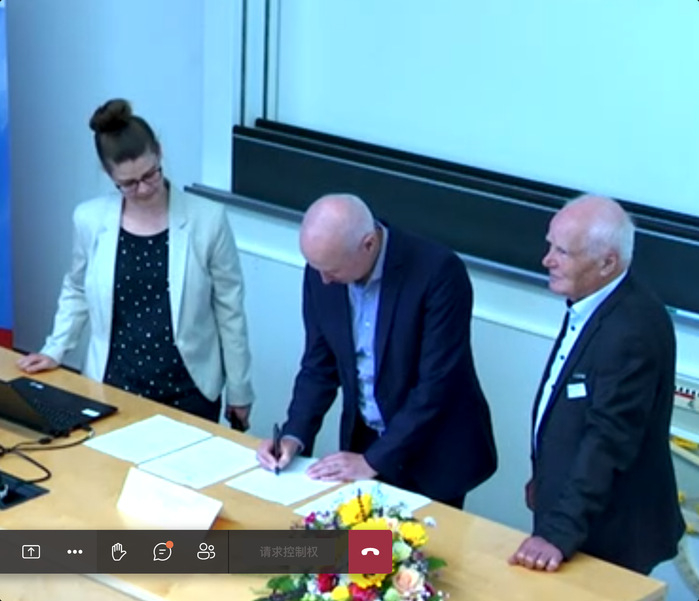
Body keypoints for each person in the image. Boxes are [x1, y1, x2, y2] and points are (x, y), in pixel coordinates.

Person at [16, 98, 254, 426]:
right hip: (113, 386)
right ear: (109, 174)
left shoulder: (207, 220)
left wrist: (240, 390)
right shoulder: (90, 219)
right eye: (128, 183)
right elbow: (77, 288)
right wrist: (55, 348)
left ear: (159, 152)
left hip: (189, 390)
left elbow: (230, 310)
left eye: (150, 175)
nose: (143, 189)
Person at [257, 193, 497, 508]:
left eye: (332, 270)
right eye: (317, 268)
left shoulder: (438, 272)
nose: (324, 280)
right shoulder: (322, 269)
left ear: (368, 244)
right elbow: (319, 366)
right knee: (364, 540)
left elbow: (436, 385)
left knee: (419, 539)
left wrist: (374, 461)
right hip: (367, 439)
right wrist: (293, 436)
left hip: (431, 452)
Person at [509, 195, 684, 574]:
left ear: (607, 262)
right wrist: (545, 478)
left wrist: (557, 533)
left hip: (609, 534)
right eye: (550, 245)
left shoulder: (631, 330)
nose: (547, 260)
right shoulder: (594, 301)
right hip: (575, 515)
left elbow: (608, 439)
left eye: (562, 252)